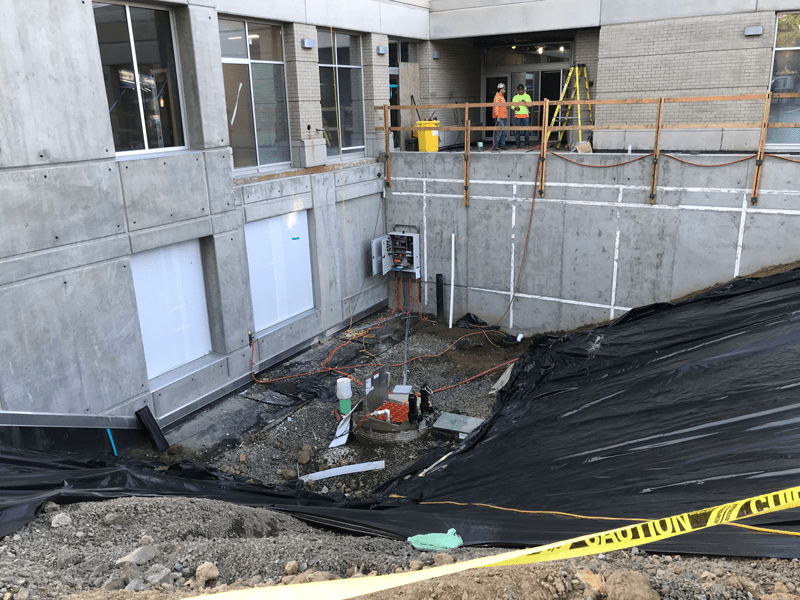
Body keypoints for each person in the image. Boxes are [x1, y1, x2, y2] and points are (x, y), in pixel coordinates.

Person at [492, 83, 507, 150]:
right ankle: (496, 146)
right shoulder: (497, 97)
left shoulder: (501, 97)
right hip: (500, 117)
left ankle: (502, 146)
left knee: (503, 132)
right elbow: (496, 107)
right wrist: (497, 116)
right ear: (501, 89)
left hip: (503, 117)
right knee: (498, 132)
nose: (505, 90)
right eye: (504, 89)